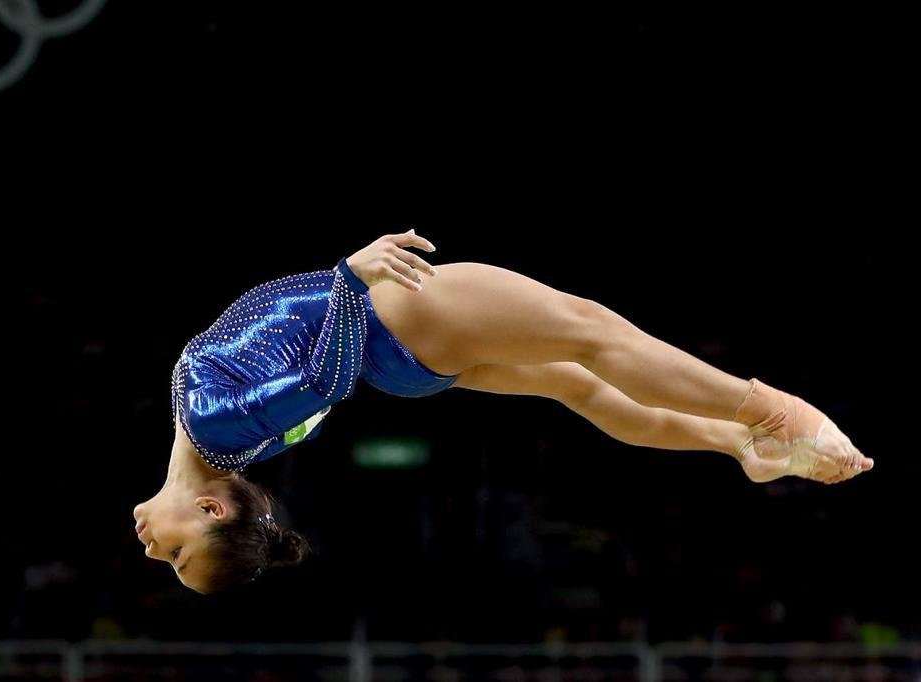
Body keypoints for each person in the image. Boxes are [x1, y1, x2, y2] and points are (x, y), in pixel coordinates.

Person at [133, 229, 872, 593]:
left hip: (404, 365)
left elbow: (316, 385)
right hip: (398, 320)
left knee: (576, 385)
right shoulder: (217, 430)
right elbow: (321, 385)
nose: (149, 548)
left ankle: (735, 446)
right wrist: (348, 279)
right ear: (211, 510)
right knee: (592, 331)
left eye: (168, 559)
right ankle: (775, 413)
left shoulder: (231, 450)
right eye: (175, 554)